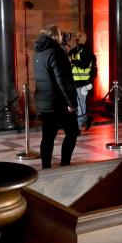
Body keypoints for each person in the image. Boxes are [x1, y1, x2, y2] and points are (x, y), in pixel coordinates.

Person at [34, 24, 79, 169]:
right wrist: (72, 103)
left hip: (44, 101)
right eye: (60, 34)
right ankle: (65, 163)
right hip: (58, 103)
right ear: (55, 35)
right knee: (72, 132)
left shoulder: (39, 52)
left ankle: (46, 167)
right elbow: (63, 81)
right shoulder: (56, 52)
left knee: (47, 137)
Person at [68, 31, 97, 131]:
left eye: (78, 37)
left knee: (81, 103)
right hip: (74, 82)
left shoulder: (86, 51)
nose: (76, 38)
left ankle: (79, 125)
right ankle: (83, 120)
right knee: (75, 103)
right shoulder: (75, 50)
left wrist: (72, 60)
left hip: (83, 83)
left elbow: (84, 64)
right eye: (76, 36)